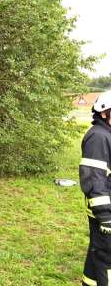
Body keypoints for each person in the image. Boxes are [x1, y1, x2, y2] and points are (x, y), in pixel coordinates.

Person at [80, 91, 111, 285]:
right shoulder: (99, 137)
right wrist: (106, 217)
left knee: (97, 256)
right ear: (104, 112)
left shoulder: (106, 134)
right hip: (105, 213)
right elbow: (93, 180)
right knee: (106, 261)